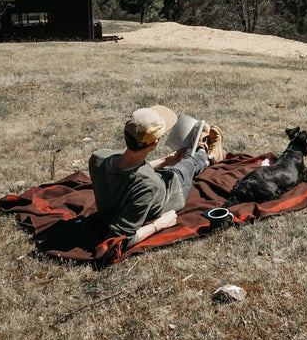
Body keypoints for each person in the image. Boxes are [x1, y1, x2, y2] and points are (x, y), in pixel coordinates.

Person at [89, 106, 224, 250]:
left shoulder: (98, 157)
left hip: (118, 207)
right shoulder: (148, 186)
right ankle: (206, 154)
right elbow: (120, 240)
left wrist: (164, 161)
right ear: (154, 144)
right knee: (188, 163)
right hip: (174, 190)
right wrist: (159, 224)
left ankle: (205, 154)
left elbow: (127, 170)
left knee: (174, 164)